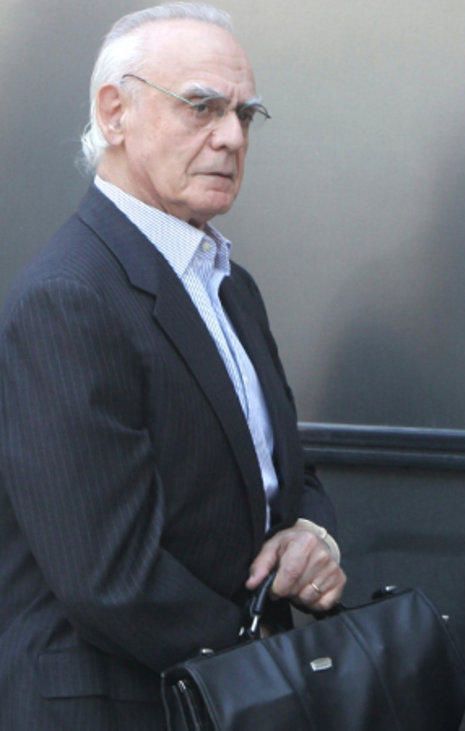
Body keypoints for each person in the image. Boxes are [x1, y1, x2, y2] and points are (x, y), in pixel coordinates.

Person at [0, 4, 346, 728]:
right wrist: (264, 659)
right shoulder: (68, 297)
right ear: (115, 113)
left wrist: (313, 535)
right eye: (201, 106)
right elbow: (108, 576)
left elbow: (282, 474)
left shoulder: (230, 285)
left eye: (244, 114)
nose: (232, 137)